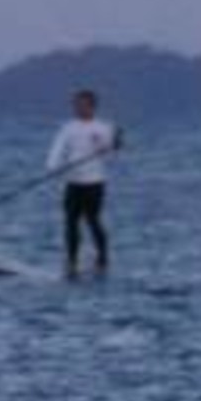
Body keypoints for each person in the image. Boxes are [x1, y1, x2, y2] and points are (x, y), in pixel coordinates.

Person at [46, 89, 122, 276]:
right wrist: (53, 167)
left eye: (83, 104)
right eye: (76, 104)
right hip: (73, 182)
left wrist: (111, 146)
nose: (78, 108)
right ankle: (71, 262)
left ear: (92, 106)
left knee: (93, 220)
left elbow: (113, 152)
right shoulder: (68, 127)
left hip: (95, 182)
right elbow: (57, 149)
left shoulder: (103, 128)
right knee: (70, 222)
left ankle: (103, 258)